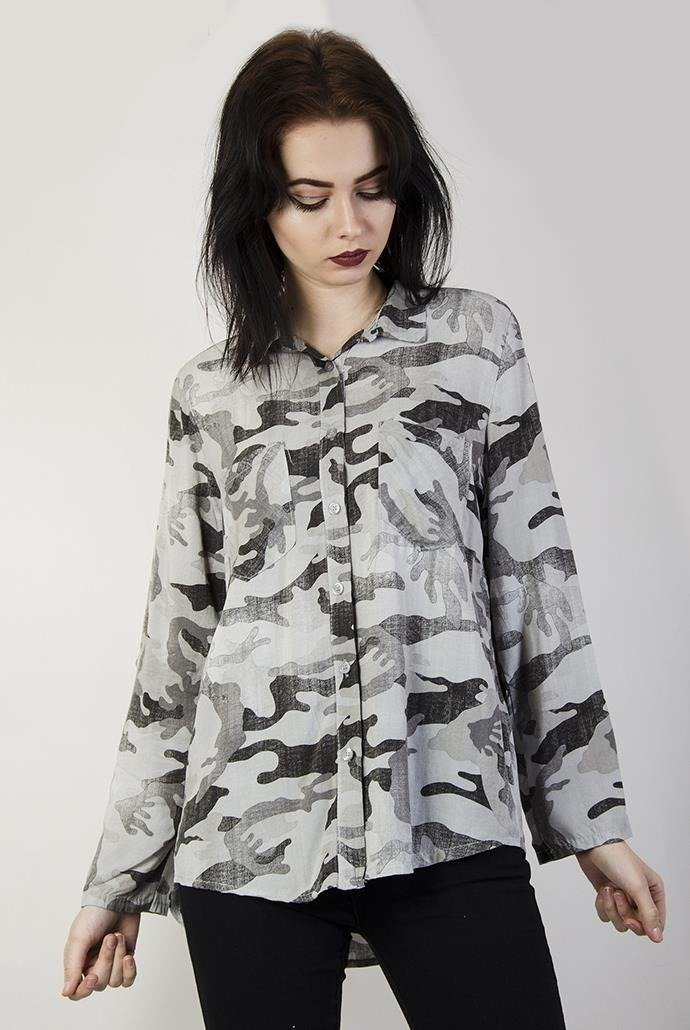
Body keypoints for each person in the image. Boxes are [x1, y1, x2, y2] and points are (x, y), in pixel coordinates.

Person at [61, 27, 665, 1029]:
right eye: (311, 197)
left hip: (448, 817)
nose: (350, 223)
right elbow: (179, 646)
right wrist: (119, 878)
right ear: (257, 203)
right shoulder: (210, 393)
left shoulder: (476, 343)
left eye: (373, 188)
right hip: (248, 847)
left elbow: (536, 589)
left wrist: (590, 819)